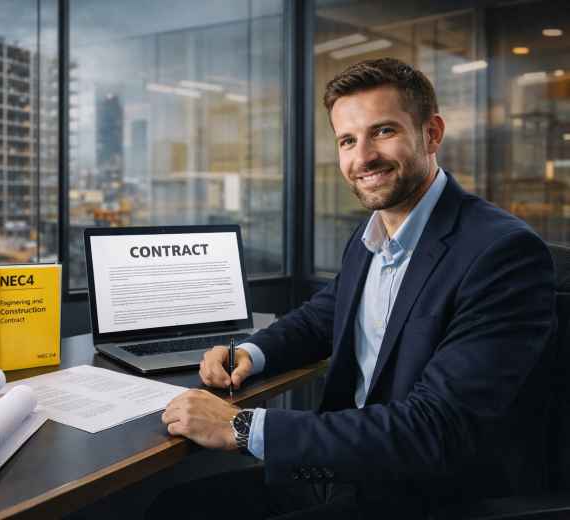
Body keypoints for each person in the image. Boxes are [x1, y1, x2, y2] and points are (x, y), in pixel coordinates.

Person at [150, 58, 556, 519]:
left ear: (432, 133)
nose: (362, 158)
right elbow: (325, 315)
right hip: (344, 470)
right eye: (347, 140)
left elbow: (436, 428)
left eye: (383, 131)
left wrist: (244, 428)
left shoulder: (500, 254)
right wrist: (249, 352)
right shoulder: (373, 235)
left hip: (424, 493)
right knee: (177, 507)